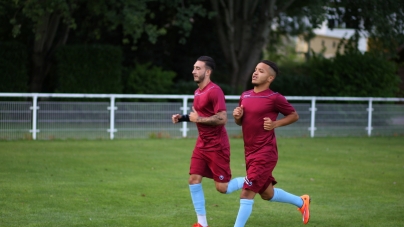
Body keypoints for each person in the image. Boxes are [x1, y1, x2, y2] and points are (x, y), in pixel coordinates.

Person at [232, 60, 310, 226]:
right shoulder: (245, 95)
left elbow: (294, 115)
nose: (255, 73)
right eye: (255, 69)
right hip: (250, 153)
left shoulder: (274, 98)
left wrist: (275, 124)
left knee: (246, 193)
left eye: (261, 71)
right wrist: (237, 117)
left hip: (265, 153)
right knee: (267, 194)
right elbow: (241, 123)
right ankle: (302, 202)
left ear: (270, 78)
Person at [171, 56, 244, 227]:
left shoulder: (214, 91)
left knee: (222, 188)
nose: (193, 71)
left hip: (217, 145)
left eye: (198, 68)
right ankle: (202, 223)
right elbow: (200, 115)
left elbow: (222, 118)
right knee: (193, 179)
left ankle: (253, 180)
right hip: (201, 144)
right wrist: (182, 118)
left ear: (208, 71)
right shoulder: (197, 92)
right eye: (194, 68)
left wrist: (198, 119)